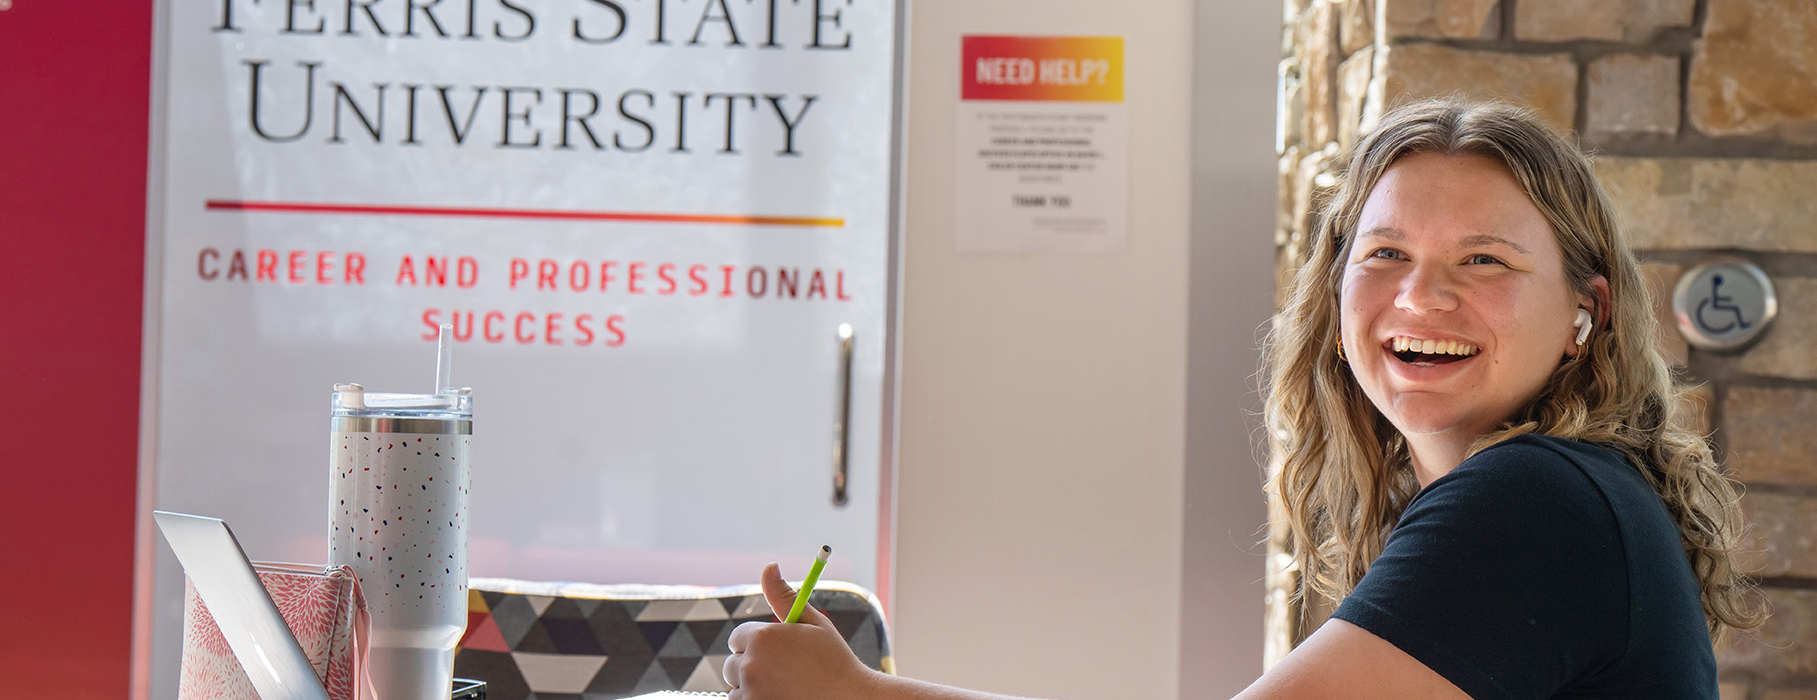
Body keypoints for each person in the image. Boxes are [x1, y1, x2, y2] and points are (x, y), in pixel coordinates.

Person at [719, 99, 1764, 700]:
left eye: (1483, 259)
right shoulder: (1546, 491)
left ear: (1587, 314)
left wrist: (860, 698)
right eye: (1386, 251)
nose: (1419, 296)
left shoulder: (1532, 502)